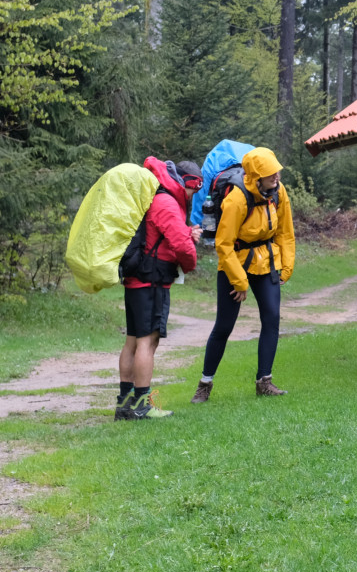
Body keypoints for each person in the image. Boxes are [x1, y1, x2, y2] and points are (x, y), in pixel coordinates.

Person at [191, 147, 295, 402]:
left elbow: (285, 232)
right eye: (271, 173)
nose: (277, 177)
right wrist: (239, 281)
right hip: (234, 264)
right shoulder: (236, 199)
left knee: (272, 319)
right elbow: (223, 245)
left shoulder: (279, 192)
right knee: (224, 326)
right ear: (257, 175)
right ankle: (205, 384)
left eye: (277, 172)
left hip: (267, 261)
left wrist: (286, 266)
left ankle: (265, 382)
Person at [116, 158, 203, 421]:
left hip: (137, 280)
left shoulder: (155, 196)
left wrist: (187, 232)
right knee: (147, 342)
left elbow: (163, 235)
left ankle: (125, 404)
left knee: (132, 341)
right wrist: (190, 262)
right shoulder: (166, 201)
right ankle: (143, 405)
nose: (193, 196)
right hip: (151, 281)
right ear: (186, 182)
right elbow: (181, 247)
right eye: (193, 190)